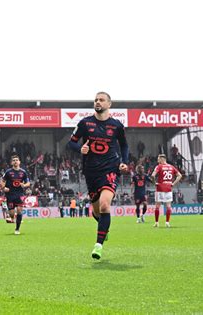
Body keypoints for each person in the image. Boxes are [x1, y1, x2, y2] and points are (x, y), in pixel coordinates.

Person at [68, 92, 128, 260]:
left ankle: (98, 245)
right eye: (96, 100)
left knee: (104, 206)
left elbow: (124, 146)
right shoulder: (85, 123)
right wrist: (79, 149)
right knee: (96, 212)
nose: (97, 102)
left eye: (101, 100)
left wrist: (124, 162)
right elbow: (71, 142)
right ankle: (104, 228)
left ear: (109, 104)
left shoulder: (116, 126)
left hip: (110, 169)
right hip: (91, 171)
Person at [0, 155, 30, 235]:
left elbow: (28, 183)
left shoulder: (23, 172)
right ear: (11, 162)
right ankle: (12, 218)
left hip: (19, 194)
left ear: (19, 162)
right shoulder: (8, 172)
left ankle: (17, 229)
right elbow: (2, 181)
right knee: (12, 213)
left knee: (20, 211)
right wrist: (3, 188)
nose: (15, 161)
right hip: (10, 195)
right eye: (14, 160)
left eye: (17, 160)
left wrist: (24, 185)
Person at [151, 154, 182, 228]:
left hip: (160, 188)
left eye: (158, 159)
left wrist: (154, 183)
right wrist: (173, 183)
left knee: (157, 206)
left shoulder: (159, 166)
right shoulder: (171, 167)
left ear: (162, 159)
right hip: (168, 188)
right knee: (168, 206)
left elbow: (152, 175)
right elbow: (180, 175)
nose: (157, 160)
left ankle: (156, 222)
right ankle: (167, 222)